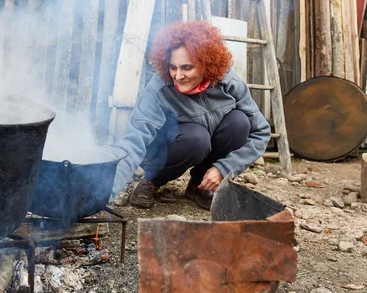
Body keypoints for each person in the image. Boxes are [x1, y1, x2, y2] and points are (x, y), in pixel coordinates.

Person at [112, 20, 270, 210]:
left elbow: (261, 132)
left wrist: (224, 168)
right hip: (169, 147)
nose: (178, 76)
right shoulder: (160, 87)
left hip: (207, 145)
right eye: (173, 67)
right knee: (197, 137)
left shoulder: (228, 82)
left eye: (187, 67)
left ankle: (199, 184)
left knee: (240, 123)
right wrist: (107, 189)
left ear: (206, 64)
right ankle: (151, 181)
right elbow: (134, 139)